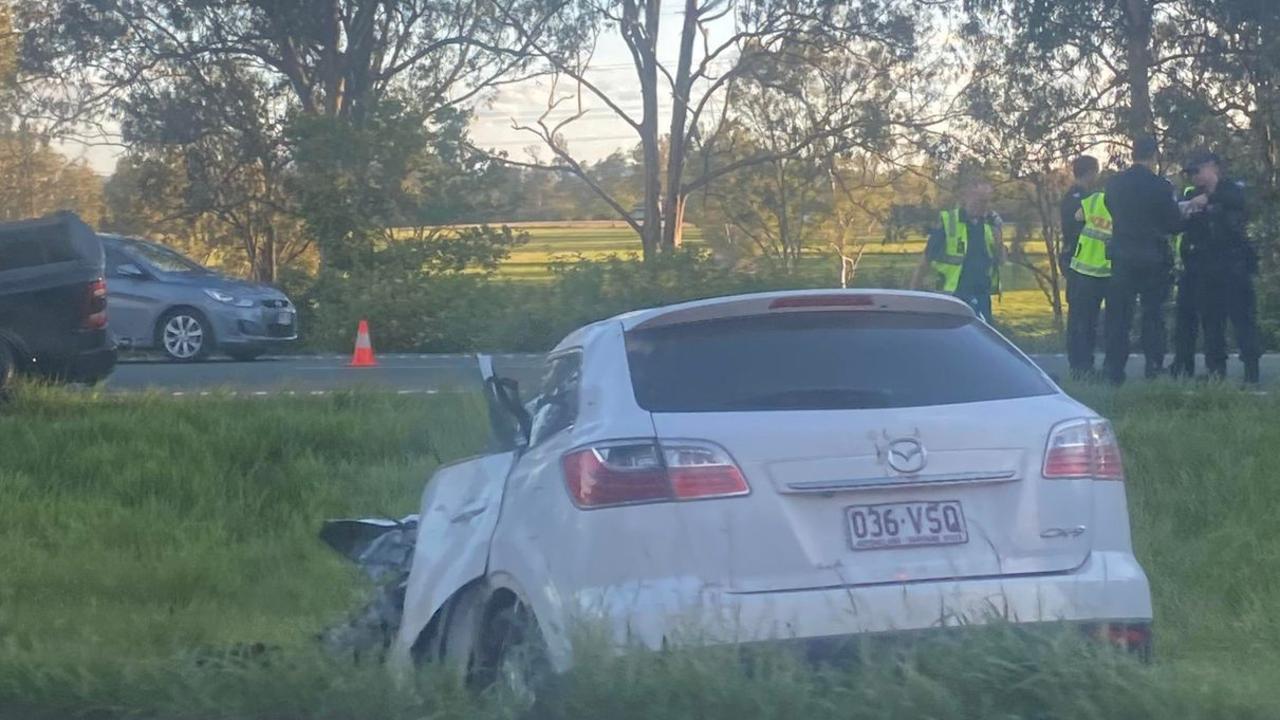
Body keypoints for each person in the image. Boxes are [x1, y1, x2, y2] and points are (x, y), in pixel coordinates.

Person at [1102, 136, 1183, 384]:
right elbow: (1173, 224)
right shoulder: (1160, 186)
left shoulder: (1114, 184)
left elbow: (1111, 209)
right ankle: (1154, 366)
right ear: (1154, 156)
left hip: (1122, 256)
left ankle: (1114, 369)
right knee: (1153, 315)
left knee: (1118, 317)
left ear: (1132, 154)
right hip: (1152, 257)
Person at [1176, 150, 1261, 383]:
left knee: (1243, 319)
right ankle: (1216, 371)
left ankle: (1251, 372)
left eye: (1198, 171)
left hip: (1234, 266)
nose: (1194, 177)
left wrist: (1210, 199)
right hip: (1205, 267)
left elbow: (1241, 202)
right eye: (1191, 173)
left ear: (1213, 166)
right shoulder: (1192, 195)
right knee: (1211, 321)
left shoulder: (1233, 189)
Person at [912, 180, 1005, 323]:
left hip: (981, 295)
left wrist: (999, 236)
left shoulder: (989, 225)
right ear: (967, 197)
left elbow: (1001, 261)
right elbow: (926, 260)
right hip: (954, 295)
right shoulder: (949, 221)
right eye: (980, 200)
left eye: (987, 201)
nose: (984, 206)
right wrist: (914, 293)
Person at [1059, 155, 1108, 379]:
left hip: (1078, 263)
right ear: (1092, 172)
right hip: (1081, 265)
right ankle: (1081, 366)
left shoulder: (1070, 197)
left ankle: (1081, 364)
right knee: (1083, 320)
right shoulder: (1086, 200)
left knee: (1082, 319)